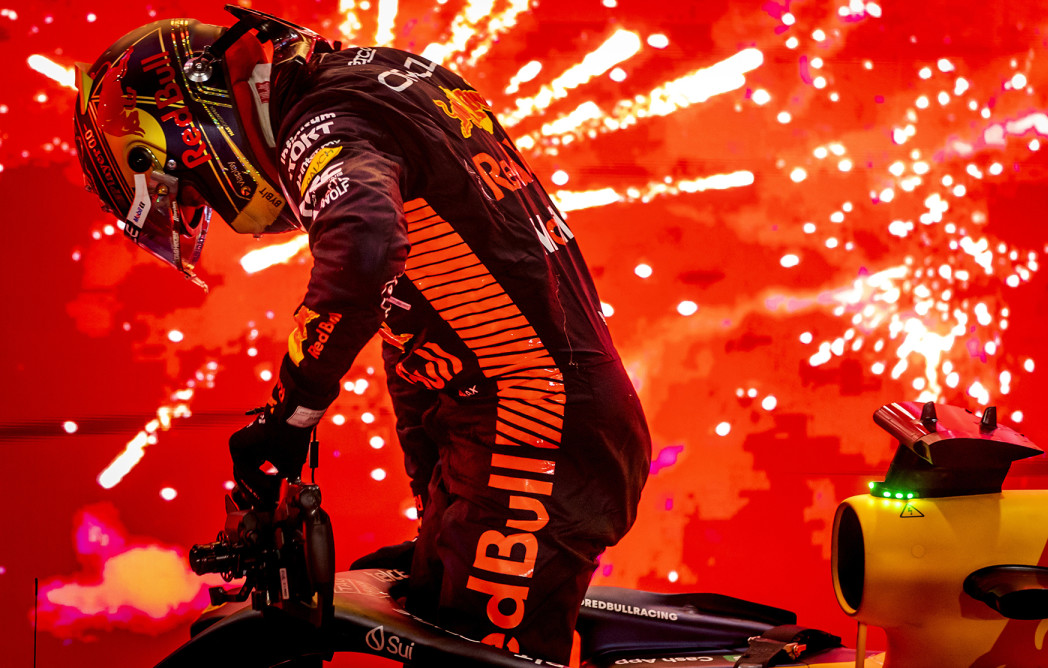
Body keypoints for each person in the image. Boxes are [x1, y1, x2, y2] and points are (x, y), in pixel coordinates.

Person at [73, 7, 651, 663]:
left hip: (531, 419)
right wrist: (430, 499)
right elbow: (417, 316)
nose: (206, 207)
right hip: (510, 418)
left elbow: (368, 253)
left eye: (190, 189)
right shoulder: (380, 75)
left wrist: (292, 414)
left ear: (185, 127)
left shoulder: (321, 120)